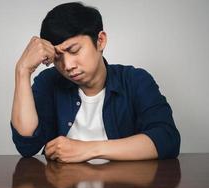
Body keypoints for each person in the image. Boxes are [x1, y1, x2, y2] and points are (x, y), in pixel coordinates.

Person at [10, 2, 180, 163]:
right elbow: (26, 145)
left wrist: (88, 149)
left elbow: (167, 139)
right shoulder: (49, 82)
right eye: (58, 57)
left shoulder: (135, 80)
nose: (68, 66)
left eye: (74, 50)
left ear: (100, 41)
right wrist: (22, 71)